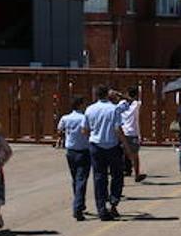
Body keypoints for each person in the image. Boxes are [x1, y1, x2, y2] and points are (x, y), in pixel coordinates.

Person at [86, 86, 127, 220]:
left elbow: (85, 129)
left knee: (99, 177)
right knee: (117, 175)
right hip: (112, 145)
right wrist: (126, 145)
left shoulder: (90, 109)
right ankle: (114, 202)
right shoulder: (113, 109)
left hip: (96, 145)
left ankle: (101, 208)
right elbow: (117, 129)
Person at [56, 97, 91, 220]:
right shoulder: (84, 118)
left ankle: (79, 202)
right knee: (81, 179)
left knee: (75, 179)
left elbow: (59, 129)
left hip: (70, 151)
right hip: (83, 150)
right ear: (80, 105)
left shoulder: (65, 118)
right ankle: (78, 207)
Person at [121, 86, 144, 182]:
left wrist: (122, 95)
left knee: (122, 154)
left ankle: (123, 172)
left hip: (123, 131)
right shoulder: (136, 104)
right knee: (135, 155)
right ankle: (137, 174)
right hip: (132, 132)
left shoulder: (122, 103)